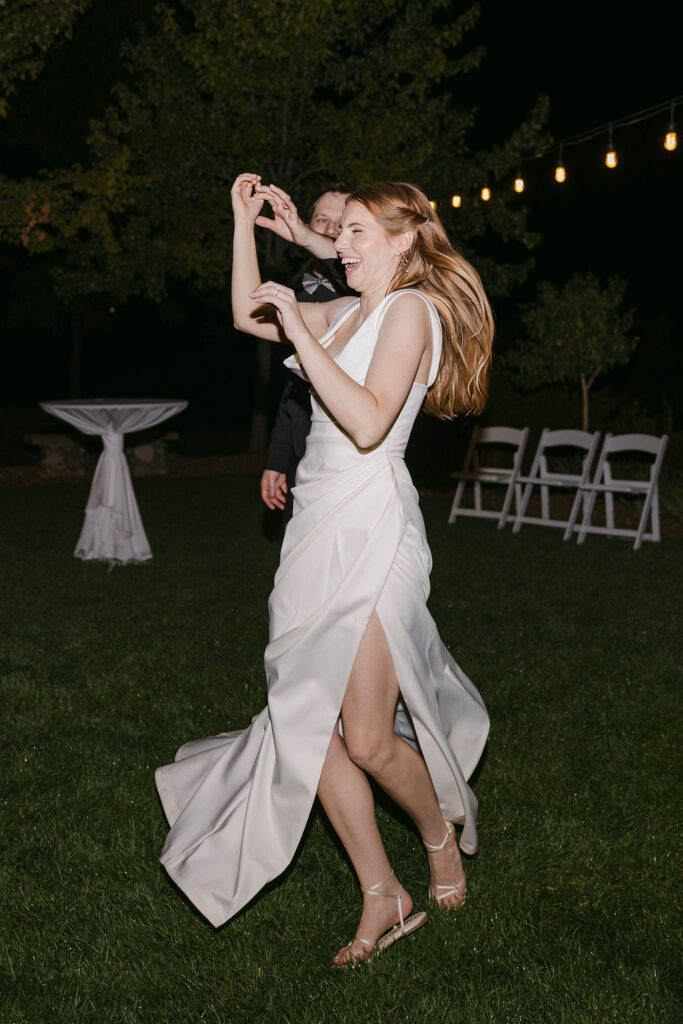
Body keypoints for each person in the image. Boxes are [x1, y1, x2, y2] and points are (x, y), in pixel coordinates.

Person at [156, 173, 494, 968]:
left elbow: (372, 421)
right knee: (310, 718)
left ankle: (439, 837)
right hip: (313, 526)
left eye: (354, 234)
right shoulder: (347, 312)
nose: (337, 244)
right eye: (336, 233)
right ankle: (383, 891)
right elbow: (248, 314)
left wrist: (302, 338)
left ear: (404, 238)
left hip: (372, 525)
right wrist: (241, 225)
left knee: (370, 739)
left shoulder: (412, 311)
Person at [257, 184, 354, 527]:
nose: (330, 229)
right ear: (308, 223)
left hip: (344, 453)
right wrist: (276, 459)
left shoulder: (361, 291)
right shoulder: (294, 293)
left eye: (340, 223)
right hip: (300, 453)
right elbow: (293, 387)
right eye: (321, 220)